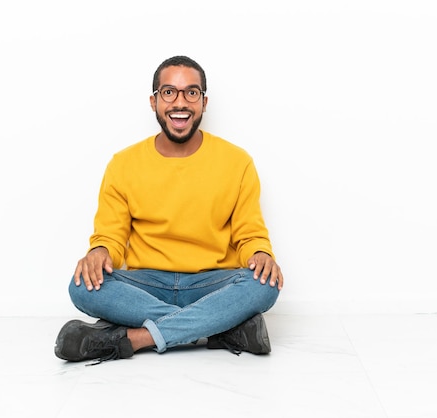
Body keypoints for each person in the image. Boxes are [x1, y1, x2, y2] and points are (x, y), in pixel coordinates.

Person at [54, 55, 283, 364]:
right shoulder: (123, 164)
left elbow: (250, 234)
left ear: (204, 102)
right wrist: (99, 252)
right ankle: (219, 328)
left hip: (210, 283)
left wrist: (261, 254)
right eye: (169, 92)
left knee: (264, 284)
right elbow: (110, 235)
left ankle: (136, 339)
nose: (180, 102)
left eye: (191, 92)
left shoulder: (236, 162)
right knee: (82, 285)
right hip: (147, 285)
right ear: (154, 101)